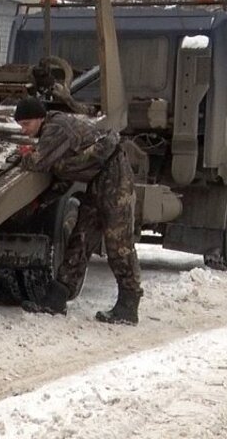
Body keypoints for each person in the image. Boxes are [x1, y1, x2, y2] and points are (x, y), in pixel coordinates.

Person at [11, 96, 142, 325]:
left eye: (26, 124)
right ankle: (57, 296)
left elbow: (38, 162)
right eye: (21, 125)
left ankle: (129, 304)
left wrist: (21, 156)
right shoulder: (50, 130)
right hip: (97, 178)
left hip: (114, 176)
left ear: (40, 118)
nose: (24, 129)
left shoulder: (56, 128)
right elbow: (63, 175)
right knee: (81, 237)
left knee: (117, 242)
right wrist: (41, 201)